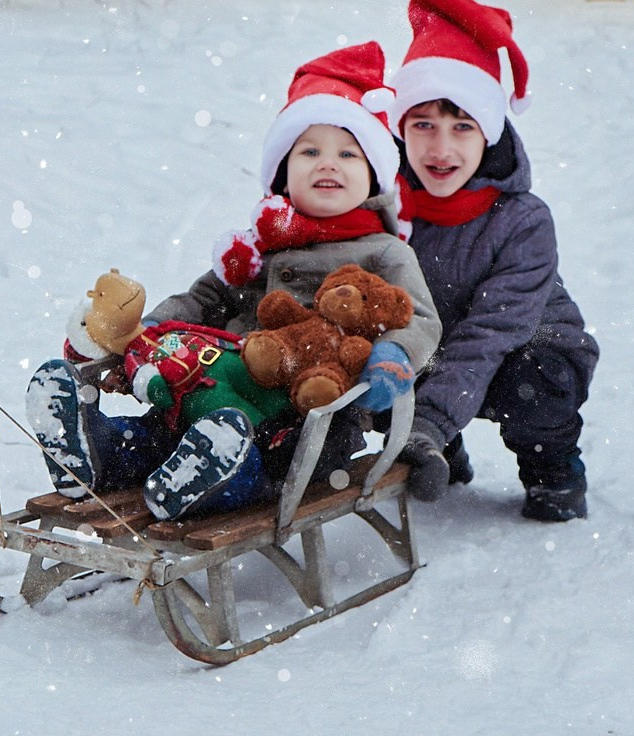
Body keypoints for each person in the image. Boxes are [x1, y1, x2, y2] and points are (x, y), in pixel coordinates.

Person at [26, 44, 442, 519]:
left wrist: (394, 354)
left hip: (311, 414)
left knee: (257, 452)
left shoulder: (384, 251)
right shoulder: (260, 247)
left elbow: (422, 317)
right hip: (219, 383)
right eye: (310, 151)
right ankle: (95, 450)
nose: (328, 164)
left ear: (374, 176)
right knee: (166, 427)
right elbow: (204, 297)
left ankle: (218, 476)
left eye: (349, 153)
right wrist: (152, 330)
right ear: (283, 172)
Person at [388, 0, 600, 522]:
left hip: (526, 346)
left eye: (462, 127)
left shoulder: (523, 220)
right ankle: (440, 452)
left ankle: (553, 471)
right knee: (365, 353)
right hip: (431, 344)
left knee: (534, 382)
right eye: (424, 125)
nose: (441, 149)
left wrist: (428, 422)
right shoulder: (385, 206)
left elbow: (490, 335)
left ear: (489, 134)